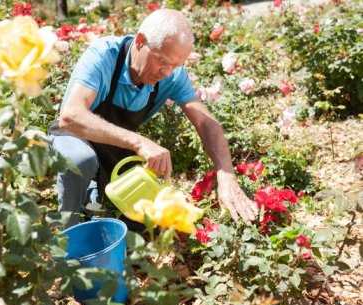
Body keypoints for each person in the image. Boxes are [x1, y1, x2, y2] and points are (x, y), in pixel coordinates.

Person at [49, 8, 258, 228]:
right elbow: (71, 116)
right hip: (73, 137)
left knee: (147, 224)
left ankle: (95, 201)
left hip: (115, 148)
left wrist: (226, 175)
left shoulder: (172, 76)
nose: (167, 73)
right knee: (81, 160)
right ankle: (66, 236)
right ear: (140, 41)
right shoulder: (105, 55)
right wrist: (139, 142)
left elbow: (206, 122)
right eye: (163, 61)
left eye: (176, 65)